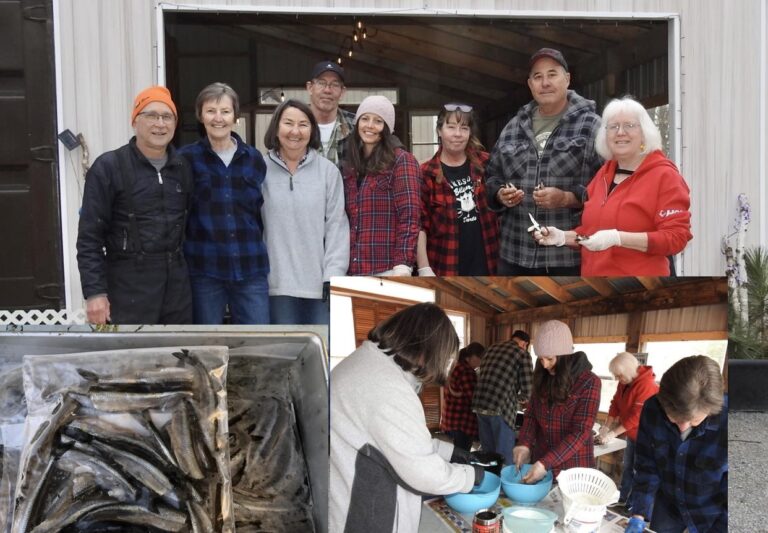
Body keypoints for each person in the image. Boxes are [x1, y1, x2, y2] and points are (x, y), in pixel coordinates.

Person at [330, 303, 484, 532]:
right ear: (426, 350)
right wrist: (470, 476)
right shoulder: (386, 386)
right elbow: (424, 474)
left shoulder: (369, 364)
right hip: (368, 517)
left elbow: (397, 440)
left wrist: (452, 453)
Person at [532, 95, 692, 275]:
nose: (620, 132)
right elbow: (591, 235)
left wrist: (618, 238)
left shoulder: (665, 176)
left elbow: (676, 238)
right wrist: (562, 237)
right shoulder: (603, 175)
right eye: (613, 127)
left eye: (629, 125)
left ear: (645, 134)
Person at [76, 86, 192, 324]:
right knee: (130, 358)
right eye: (151, 115)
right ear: (134, 121)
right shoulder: (109, 167)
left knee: (176, 356)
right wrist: (95, 293)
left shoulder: (183, 168)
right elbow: (90, 237)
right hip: (127, 286)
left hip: (177, 289)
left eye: (167, 116)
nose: (160, 124)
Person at [485, 48, 603, 275]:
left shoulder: (593, 126)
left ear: (567, 79)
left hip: (568, 258)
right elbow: (491, 176)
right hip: (514, 254)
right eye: (538, 77)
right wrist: (500, 194)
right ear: (530, 84)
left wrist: (568, 198)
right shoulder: (513, 126)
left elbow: (610, 190)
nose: (545, 82)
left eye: (552, 74)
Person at [179, 82, 269, 324]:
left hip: (250, 267)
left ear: (235, 116)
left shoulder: (254, 159)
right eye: (211, 111)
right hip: (205, 269)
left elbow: (260, 212)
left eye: (225, 111)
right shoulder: (185, 159)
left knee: (258, 343)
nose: (218, 118)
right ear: (200, 115)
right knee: (206, 346)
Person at [262, 99, 349, 324]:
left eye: (303, 124)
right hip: (276, 285)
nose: (295, 131)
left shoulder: (328, 172)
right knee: (285, 355)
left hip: (318, 288)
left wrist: (333, 276)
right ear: (276, 127)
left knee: (321, 353)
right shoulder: (259, 169)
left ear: (312, 130)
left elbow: (337, 227)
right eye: (288, 123)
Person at [625, 356, 727, 533]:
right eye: (675, 418)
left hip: (712, 514)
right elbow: (646, 466)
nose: (683, 428)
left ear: (711, 409)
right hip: (668, 507)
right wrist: (638, 514)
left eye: (694, 420)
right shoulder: (652, 409)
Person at [513, 320, 601, 482]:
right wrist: (524, 444)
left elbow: (581, 431)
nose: (545, 365)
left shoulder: (588, 381)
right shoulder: (543, 376)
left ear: (565, 356)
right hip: (541, 461)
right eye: (540, 359)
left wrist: (545, 463)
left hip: (573, 466)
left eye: (550, 359)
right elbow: (531, 415)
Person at [416, 103, 499, 276]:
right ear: (439, 130)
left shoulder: (487, 163)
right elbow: (419, 225)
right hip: (445, 263)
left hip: (489, 261)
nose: (457, 134)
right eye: (451, 127)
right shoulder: (425, 173)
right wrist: (424, 268)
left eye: (464, 128)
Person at [343, 95, 421, 276]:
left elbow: (410, 216)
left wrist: (403, 263)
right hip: (353, 268)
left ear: (387, 128)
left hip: (387, 268)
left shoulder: (402, 160)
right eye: (365, 118)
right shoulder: (351, 165)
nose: (370, 125)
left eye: (378, 121)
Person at [596, 352, 659, 506]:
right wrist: (606, 425)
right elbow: (615, 404)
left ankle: (637, 507)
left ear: (630, 371)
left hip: (648, 437)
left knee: (641, 471)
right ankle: (624, 500)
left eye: (619, 376)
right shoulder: (625, 382)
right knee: (627, 468)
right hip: (632, 435)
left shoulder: (647, 385)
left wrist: (613, 433)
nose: (618, 379)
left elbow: (637, 416)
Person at [471, 334, 534, 466]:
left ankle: (490, 482)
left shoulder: (491, 348)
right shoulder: (522, 354)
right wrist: (518, 399)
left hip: (479, 405)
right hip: (500, 408)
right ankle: (504, 484)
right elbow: (528, 389)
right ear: (524, 344)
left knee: (488, 455)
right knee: (504, 457)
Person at [306, 60, 356, 170]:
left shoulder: (356, 125)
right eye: (321, 83)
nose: (327, 90)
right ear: (310, 88)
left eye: (334, 84)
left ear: (342, 92)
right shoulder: (295, 124)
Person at [441, 342, 485, 452]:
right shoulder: (467, 371)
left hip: (451, 418)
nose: (480, 363)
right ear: (472, 356)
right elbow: (473, 398)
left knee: (457, 451)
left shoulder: (455, 366)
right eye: (480, 358)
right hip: (462, 421)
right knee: (462, 454)